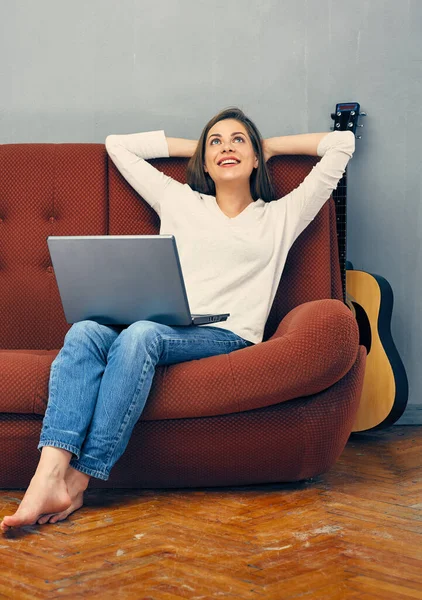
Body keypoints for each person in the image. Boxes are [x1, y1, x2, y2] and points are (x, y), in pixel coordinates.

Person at [1, 106, 355, 532]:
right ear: (203, 160)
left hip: (227, 333)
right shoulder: (179, 199)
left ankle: (81, 478)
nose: (227, 148)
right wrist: (200, 149)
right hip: (170, 323)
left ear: (256, 156)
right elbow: (120, 147)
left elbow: (342, 144)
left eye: (238, 140)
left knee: (139, 335)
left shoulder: (282, 215)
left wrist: (271, 145)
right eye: (216, 142)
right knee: (86, 330)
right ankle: (49, 473)